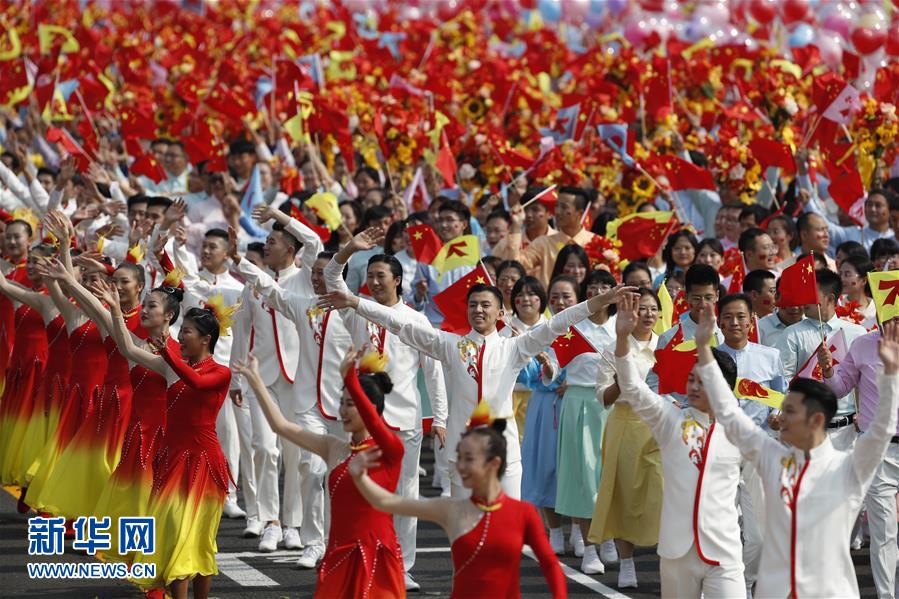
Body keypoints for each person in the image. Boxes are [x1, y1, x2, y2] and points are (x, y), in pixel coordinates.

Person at [320, 276, 635, 501]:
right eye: (473, 305)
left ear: (500, 314)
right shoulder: (448, 345)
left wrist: (600, 301)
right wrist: (355, 302)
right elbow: (401, 324)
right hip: (463, 452)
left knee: (504, 535)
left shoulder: (515, 348)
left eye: (486, 305)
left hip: (505, 453)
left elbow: (557, 324)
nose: (479, 310)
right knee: (464, 535)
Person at [697, 306, 899, 599]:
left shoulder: (848, 467)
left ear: (816, 420)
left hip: (830, 590)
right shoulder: (773, 457)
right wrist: (705, 351)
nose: (781, 417)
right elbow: (730, 415)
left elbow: (882, 426)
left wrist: (892, 375)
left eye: (789, 411)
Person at [325, 227, 448, 591]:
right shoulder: (355, 310)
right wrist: (349, 249)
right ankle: (357, 556)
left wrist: (439, 417)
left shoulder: (416, 321)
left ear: (398, 280)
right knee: (360, 490)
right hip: (363, 419)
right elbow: (333, 277)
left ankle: (401, 565)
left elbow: (434, 371)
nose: (374, 282)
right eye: (371, 276)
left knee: (405, 493)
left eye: (382, 276)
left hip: (403, 418)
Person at [234, 348, 405, 598]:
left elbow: (374, 421)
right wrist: (256, 381)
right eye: (342, 403)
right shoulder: (334, 447)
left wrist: (348, 379)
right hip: (339, 556)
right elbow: (281, 426)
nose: (343, 411)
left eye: (351, 404)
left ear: (371, 408)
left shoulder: (389, 450)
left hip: (376, 558)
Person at [348, 403, 567, 598]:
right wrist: (359, 477)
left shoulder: (524, 514)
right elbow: (387, 502)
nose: (460, 465)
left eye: (469, 459)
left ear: (494, 463)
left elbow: (550, 565)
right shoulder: (452, 510)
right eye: (459, 457)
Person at [613, 293, 745, 597]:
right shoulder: (670, 419)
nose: (695, 387)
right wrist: (622, 338)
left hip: (724, 551)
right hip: (677, 552)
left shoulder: (740, 430)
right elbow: (632, 388)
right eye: (691, 379)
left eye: (704, 380)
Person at [112, 298, 235, 599]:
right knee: (174, 534)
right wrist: (114, 311)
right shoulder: (172, 368)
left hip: (204, 464)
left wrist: (166, 350)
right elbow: (128, 349)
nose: (180, 337)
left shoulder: (221, 372)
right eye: (181, 332)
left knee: (198, 540)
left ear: (206, 339)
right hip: (173, 461)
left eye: (187, 332)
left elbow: (195, 382)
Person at [228, 205, 321, 548]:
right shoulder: (253, 283)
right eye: (265, 241)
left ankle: (293, 525)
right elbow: (241, 330)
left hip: (299, 377)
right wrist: (237, 379)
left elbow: (314, 239)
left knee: (295, 454)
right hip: (261, 377)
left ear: (291, 250)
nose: (266, 246)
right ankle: (270, 519)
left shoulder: (307, 277)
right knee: (264, 448)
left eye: (273, 241)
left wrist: (280, 217)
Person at [91, 278, 182, 563]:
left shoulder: (182, 351)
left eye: (151, 305)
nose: (143, 310)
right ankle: (145, 568)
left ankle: (161, 568)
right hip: (140, 437)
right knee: (136, 503)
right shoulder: (138, 347)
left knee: (166, 505)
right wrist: (115, 308)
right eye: (143, 305)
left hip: (170, 440)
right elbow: (122, 342)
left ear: (169, 314)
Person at [588, 288, 662, 590]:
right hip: (624, 424)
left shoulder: (667, 344)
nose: (647, 314)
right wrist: (622, 382)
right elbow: (603, 397)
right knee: (623, 496)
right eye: (641, 308)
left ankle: (665, 565)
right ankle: (627, 563)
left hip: (659, 426)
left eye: (652, 308)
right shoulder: (613, 347)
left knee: (662, 495)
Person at [819, 321, 899, 598]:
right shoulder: (863, 345)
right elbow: (839, 387)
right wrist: (828, 370)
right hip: (877, 450)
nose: (894, 317)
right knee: (884, 532)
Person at [548, 270, 619, 574]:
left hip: (614, 404)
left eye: (605, 286)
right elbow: (553, 366)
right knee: (583, 477)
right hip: (578, 402)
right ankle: (590, 547)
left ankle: (609, 536)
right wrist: (546, 366)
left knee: (611, 476)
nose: (598, 291)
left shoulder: (621, 326)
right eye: (592, 287)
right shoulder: (571, 326)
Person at [775, 269, 867, 448]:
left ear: (830, 298)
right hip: (806, 427)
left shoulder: (857, 332)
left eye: (811, 294)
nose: (803, 300)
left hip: (847, 430)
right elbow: (783, 380)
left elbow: (863, 381)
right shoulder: (792, 334)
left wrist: (863, 413)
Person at [498, 187, 600, 288]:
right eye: (557, 206)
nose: (557, 211)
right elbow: (514, 266)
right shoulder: (543, 243)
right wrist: (516, 226)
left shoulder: (598, 243)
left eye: (564, 207)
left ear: (580, 213)